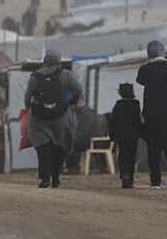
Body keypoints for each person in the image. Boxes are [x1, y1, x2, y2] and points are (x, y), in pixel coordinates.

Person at [25, 49, 82, 188]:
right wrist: (71, 102)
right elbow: (78, 89)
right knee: (58, 148)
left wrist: (30, 108)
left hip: (38, 119)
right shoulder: (66, 75)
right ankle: (56, 179)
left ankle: (45, 179)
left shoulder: (35, 77)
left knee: (43, 149)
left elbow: (27, 97)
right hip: (60, 118)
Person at [137, 40, 167, 189]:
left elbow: (139, 79)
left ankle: (155, 181)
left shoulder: (147, 69)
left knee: (154, 148)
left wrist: (146, 64)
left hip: (151, 115)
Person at [110, 83, 143, 189]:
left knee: (122, 155)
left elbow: (113, 122)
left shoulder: (118, 106)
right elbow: (138, 121)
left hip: (121, 135)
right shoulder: (136, 105)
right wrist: (141, 132)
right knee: (132, 155)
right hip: (133, 135)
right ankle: (130, 176)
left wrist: (112, 136)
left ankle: (124, 173)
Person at [66, 101, 107, 174]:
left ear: (78, 108)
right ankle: (72, 167)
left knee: (71, 144)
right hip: (93, 140)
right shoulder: (89, 114)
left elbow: (82, 134)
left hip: (93, 141)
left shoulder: (86, 116)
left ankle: (73, 168)